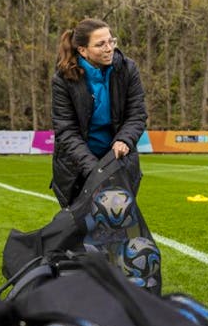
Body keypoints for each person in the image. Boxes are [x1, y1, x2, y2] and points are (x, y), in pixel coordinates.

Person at [50, 18, 148, 205]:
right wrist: (95, 170)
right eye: (100, 44)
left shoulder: (128, 69)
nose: (109, 48)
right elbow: (66, 130)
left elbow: (137, 114)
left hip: (120, 162)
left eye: (111, 41)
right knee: (81, 230)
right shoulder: (63, 79)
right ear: (83, 50)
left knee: (119, 225)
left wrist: (124, 140)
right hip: (77, 167)